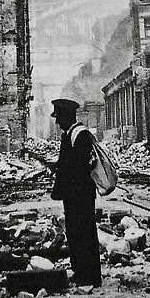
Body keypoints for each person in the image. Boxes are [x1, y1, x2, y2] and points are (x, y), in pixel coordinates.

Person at [50, 98, 102, 287]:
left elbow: (78, 167)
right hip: (75, 193)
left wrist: (60, 169)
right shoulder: (71, 134)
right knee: (75, 232)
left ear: (67, 116)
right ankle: (81, 271)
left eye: (59, 117)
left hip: (79, 193)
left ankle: (90, 275)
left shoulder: (80, 135)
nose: (57, 122)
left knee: (84, 233)